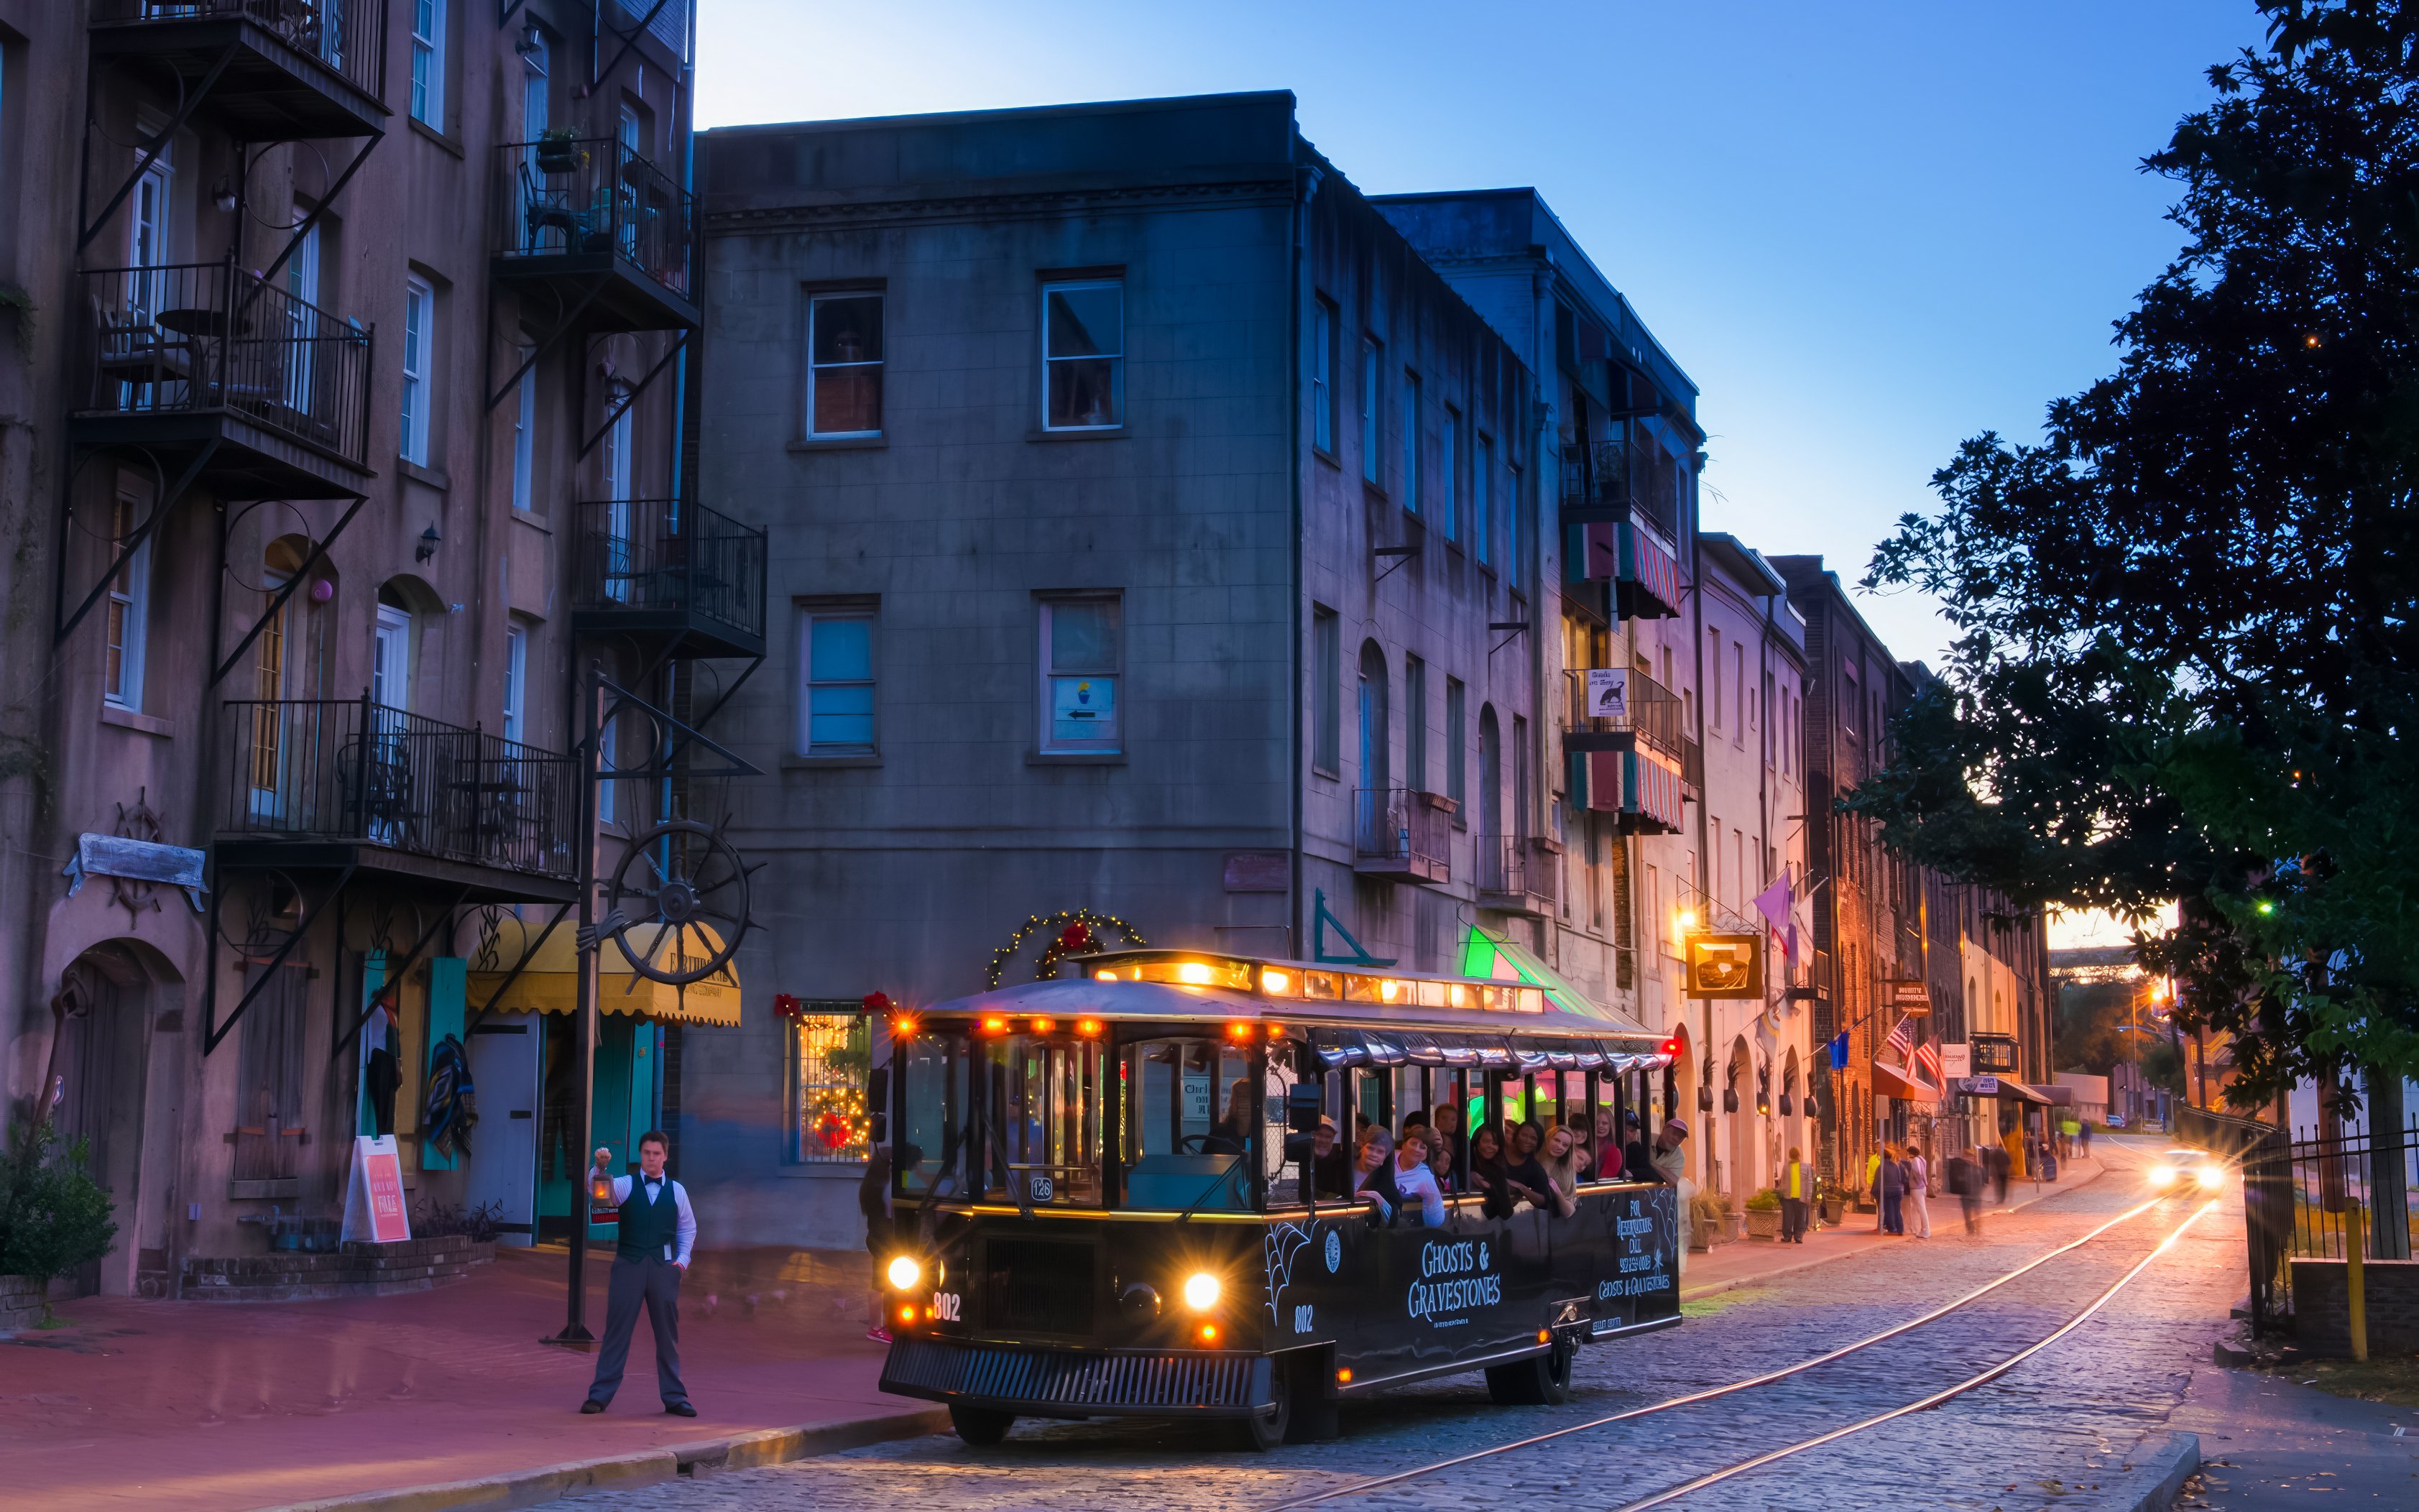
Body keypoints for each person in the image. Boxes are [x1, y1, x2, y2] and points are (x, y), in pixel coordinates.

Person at [582, 1132, 696, 1416]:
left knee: (667, 1335)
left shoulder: (678, 1191)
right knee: (617, 1331)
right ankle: (599, 1396)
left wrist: (681, 1262)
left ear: (665, 1156)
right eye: (646, 1153)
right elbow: (599, 1192)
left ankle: (675, 1397)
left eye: (657, 1153)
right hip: (628, 1265)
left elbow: (688, 1229)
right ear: (640, 1155)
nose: (651, 1158)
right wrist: (600, 1169)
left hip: (663, 1267)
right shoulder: (626, 1184)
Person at [860, 1145, 894, 1343]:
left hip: (877, 1236)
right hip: (883, 1238)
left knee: (881, 1282)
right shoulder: (882, 1186)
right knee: (881, 1283)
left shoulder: (872, 1184)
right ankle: (876, 1327)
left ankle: (878, 1325)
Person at [1388, 1128, 1447, 1227]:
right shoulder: (1386, 1157)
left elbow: (1435, 1222)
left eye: (1423, 1147)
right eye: (1413, 1143)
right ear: (1404, 1145)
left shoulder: (1426, 1177)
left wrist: (1430, 1197)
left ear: (1426, 1154)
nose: (1417, 1149)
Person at [1349, 1126, 1403, 1222]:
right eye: (1370, 1148)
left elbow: (1393, 1219)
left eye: (1380, 1152)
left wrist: (1379, 1200)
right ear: (1362, 1147)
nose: (1374, 1154)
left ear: (1384, 1158)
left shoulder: (1386, 1182)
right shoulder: (1344, 1169)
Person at [1538, 1125, 1586, 1217]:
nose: (1559, 1146)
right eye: (1556, 1140)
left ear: (1568, 1149)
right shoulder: (1533, 1159)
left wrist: (1555, 1189)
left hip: (1552, 1223)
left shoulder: (1567, 1171)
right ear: (1548, 1138)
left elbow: (1569, 1212)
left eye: (1565, 1145)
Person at [1310, 1115, 1350, 1199]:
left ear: (1334, 1137)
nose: (1323, 1140)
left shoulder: (1340, 1157)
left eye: (1328, 1137)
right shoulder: (1308, 1156)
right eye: (1319, 1135)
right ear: (1313, 1134)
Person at [1778, 1145, 1810, 1245]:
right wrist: (1809, 1196)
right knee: (1801, 1218)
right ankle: (1798, 1236)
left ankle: (1787, 1236)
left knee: (1787, 1218)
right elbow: (1809, 1182)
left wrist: (1781, 1193)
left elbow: (1782, 1180)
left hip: (1787, 1196)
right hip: (1801, 1196)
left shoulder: (1786, 1166)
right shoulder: (1806, 1166)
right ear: (1800, 1154)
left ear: (1790, 1155)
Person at [1876, 1143, 1905, 1236]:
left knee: (1889, 1210)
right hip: (1897, 1191)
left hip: (1888, 1191)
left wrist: (1877, 1191)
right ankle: (1900, 1229)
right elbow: (1899, 1178)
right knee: (1897, 1210)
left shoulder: (1882, 1167)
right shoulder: (1895, 1166)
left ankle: (1892, 1228)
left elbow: (1879, 1181)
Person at [1906, 1144, 1931, 1240]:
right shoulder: (1922, 1159)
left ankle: (1926, 1231)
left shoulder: (1915, 1161)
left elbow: (1918, 1172)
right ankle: (1922, 1230)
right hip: (1921, 1187)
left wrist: (1917, 1181)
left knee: (1921, 1210)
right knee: (1920, 1209)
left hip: (1917, 1188)